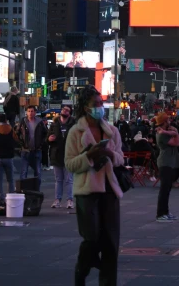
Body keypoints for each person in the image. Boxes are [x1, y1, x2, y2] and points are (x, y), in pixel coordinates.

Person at [65, 85, 124, 286]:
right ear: (84, 107)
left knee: (110, 243)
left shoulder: (111, 130)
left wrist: (109, 154)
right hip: (87, 191)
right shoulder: (75, 132)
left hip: (109, 191)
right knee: (91, 237)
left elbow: (120, 159)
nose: (99, 107)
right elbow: (69, 164)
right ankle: (83, 265)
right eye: (95, 104)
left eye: (101, 103)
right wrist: (88, 156)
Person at [155, 111, 179, 222]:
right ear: (164, 122)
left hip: (170, 163)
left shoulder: (165, 132)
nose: (170, 121)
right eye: (168, 120)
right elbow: (177, 143)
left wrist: (174, 132)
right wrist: (175, 133)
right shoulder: (162, 135)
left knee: (167, 189)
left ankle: (165, 212)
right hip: (165, 163)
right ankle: (160, 214)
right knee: (164, 189)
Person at [49, 105, 75, 208]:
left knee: (69, 180)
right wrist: (49, 139)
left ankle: (69, 200)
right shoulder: (55, 124)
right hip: (57, 154)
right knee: (58, 179)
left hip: (69, 155)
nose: (65, 111)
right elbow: (47, 138)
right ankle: (57, 199)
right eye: (64, 109)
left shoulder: (73, 124)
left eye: (67, 110)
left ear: (70, 113)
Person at [18, 106, 47, 185]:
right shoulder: (23, 121)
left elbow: (45, 134)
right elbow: (17, 134)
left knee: (37, 171)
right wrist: (22, 144)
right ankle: (23, 189)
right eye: (29, 111)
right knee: (24, 170)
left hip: (37, 150)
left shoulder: (39, 122)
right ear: (26, 113)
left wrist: (41, 144)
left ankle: (36, 189)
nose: (30, 113)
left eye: (32, 111)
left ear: (35, 112)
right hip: (25, 150)